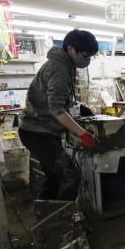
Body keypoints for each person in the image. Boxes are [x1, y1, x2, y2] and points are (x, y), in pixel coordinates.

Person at [19, 29, 98, 201]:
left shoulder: (64, 65)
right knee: (70, 177)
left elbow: (58, 101)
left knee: (54, 177)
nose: (87, 61)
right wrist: (83, 134)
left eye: (91, 57)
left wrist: (79, 109)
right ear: (71, 49)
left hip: (41, 130)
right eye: (85, 56)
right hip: (37, 133)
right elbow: (56, 110)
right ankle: (63, 220)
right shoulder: (59, 69)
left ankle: (48, 216)